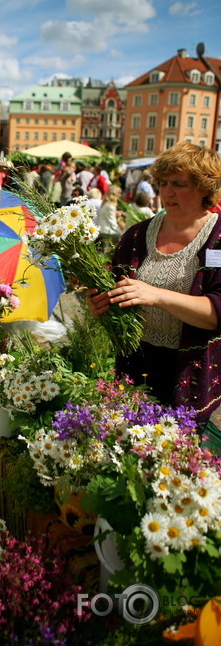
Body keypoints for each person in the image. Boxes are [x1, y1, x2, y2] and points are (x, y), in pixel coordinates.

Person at [87, 142, 221, 432]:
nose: (167, 192)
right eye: (163, 183)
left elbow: (216, 314)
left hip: (188, 371)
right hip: (136, 365)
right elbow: (118, 292)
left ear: (204, 187)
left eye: (179, 184)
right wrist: (102, 304)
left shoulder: (218, 238)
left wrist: (156, 295)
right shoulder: (137, 235)